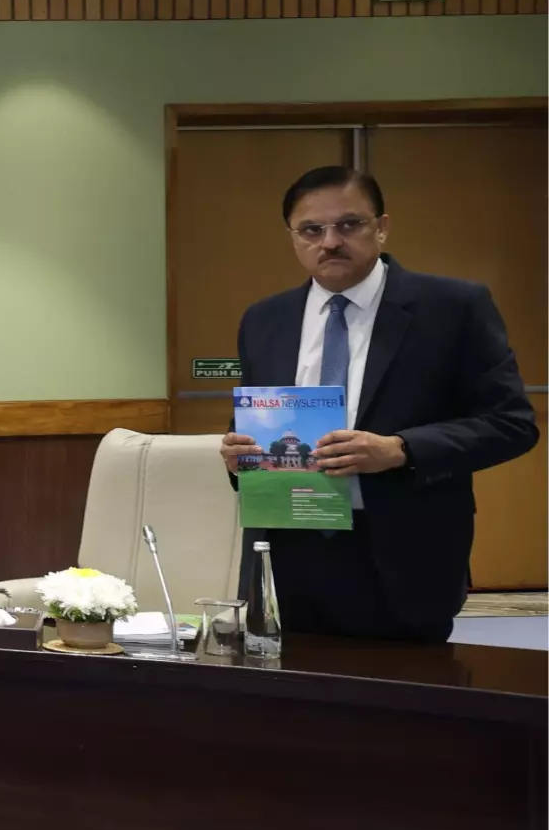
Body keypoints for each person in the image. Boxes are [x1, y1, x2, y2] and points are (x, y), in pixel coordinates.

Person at [218, 166, 536, 643]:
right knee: (292, 687)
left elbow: (511, 424)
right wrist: (238, 455)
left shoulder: (453, 308)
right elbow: (252, 424)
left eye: (349, 225)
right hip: (288, 551)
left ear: (381, 227)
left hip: (405, 552)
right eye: (311, 230)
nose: (330, 242)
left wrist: (400, 449)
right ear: (293, 238)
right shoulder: (265, 319)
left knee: (412, 689)